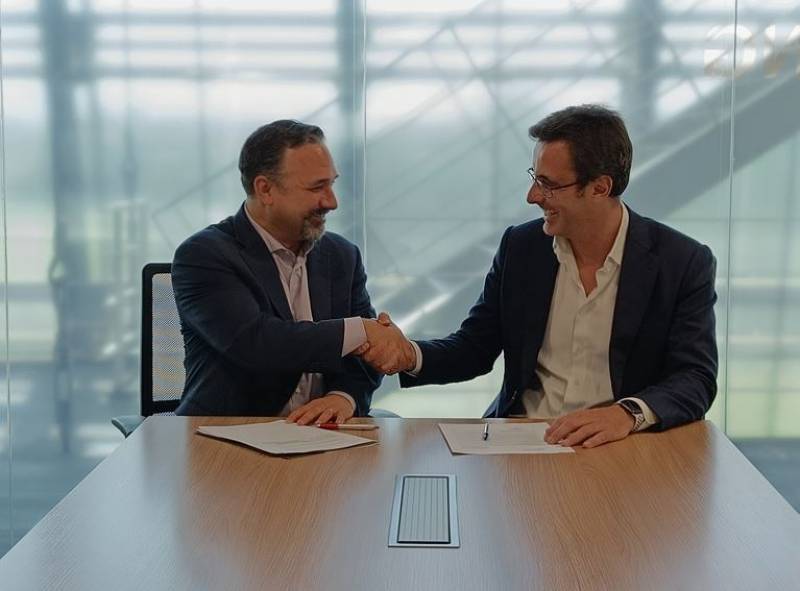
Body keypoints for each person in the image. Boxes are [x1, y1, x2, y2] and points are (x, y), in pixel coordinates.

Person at [360, 104, 718, 448]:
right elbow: (474, 348)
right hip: (520, 442)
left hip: (620, 447)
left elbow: (696, 378)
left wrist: (625, 414)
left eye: (548, 185)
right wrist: (409, 355)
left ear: (600, 187)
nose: (532, 196)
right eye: (535, 178)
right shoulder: (521, 248)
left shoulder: (681, 262)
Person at [172, 120, 409, 423]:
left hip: (323, 434)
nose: (332, 202)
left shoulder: (341, 255)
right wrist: (361, 330)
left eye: (332, 184)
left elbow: (364, 358)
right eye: (316, 187)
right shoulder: (204, 255)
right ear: (265, 189)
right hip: (226, 433)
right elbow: (257, 343)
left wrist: (344, 397)